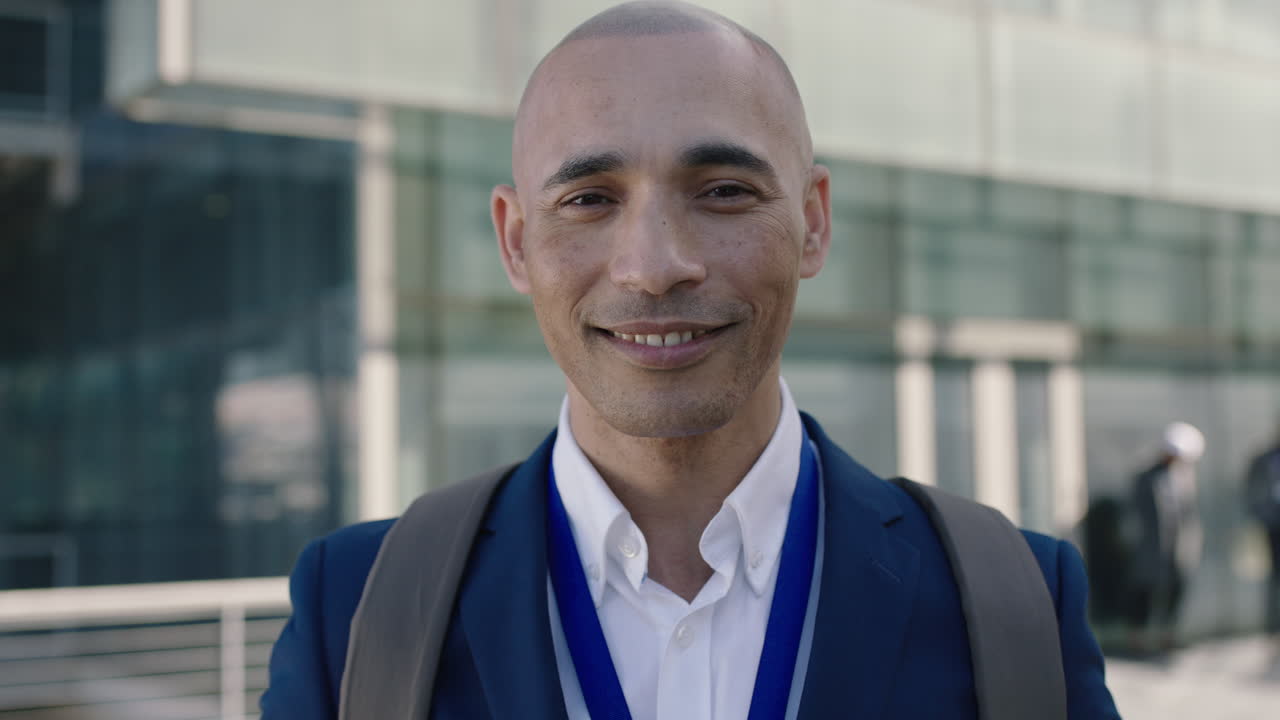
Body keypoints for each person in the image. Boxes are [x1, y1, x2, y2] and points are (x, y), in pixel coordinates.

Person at [260, 3, 1120, 718]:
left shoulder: (1013, 606)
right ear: (517, 242)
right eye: (590, 200)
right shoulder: (360, 612)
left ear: (813, 223)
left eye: (723, 192)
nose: (656, 264)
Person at [1126, 422, 1205, 655]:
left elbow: (1188, 513)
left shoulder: (1185, 476)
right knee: (1145, 592)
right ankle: (1137, 638)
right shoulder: (1146, 476)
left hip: (1179, 548)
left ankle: (1167, 636)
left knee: (1175, 592)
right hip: (1150, 547)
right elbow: (1135, 513)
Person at [1245, 427, 1280, 649]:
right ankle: (1273, 630)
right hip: (1273, 526)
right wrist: (1261, 515)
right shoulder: (1263, 458)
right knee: (1275, 578)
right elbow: (1251, 490)